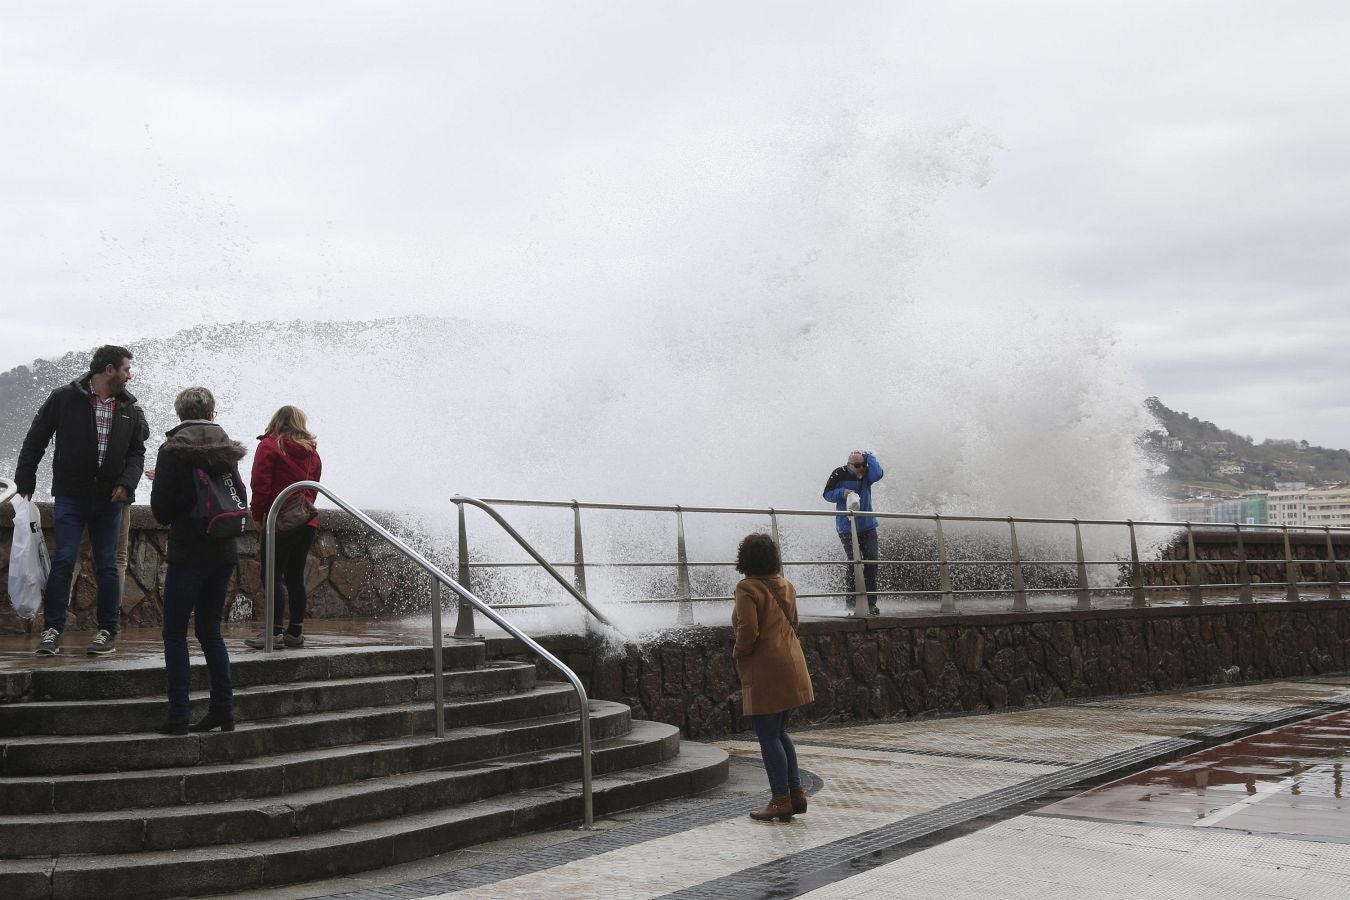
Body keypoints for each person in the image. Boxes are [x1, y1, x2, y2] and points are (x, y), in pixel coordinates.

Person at [15, 345, 147, 656]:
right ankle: (52, 630)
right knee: (63, 560)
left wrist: (127, 484)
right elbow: (36, 439)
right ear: (109, 370)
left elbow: (136, 453)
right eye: (126, 369)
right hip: (71, 496)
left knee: (108, 565)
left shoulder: (128, 407)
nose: (130, 375)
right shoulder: (64, 397)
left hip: (109, 500)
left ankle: (107, 631)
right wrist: (25, 480)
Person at [149, 387, 245, 735]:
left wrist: (167, 486)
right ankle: (223, 709)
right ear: (211, 412)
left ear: (180, 414)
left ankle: (178, 716)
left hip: (188, 553)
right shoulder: (226, 446)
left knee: (175, 633)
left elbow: (161, 511)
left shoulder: (172, 450)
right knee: (210, 630)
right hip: (223, 549)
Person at [732, 532, 815, 823]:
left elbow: (748, 630)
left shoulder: (747, 588)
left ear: (745, 558)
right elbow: (795, 622)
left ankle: (780, 800)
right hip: (792, 665)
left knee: (768, 736)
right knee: (779, 733)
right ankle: (795, 794)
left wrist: (738, 652)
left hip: (767, 669)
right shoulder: (786, 585)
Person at [245, 405, 322, 649]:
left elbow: (260, 484)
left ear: (276, 421)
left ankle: (274, 632)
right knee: (295, 575)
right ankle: (295, 632)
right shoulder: (312, 452)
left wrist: (258, 515)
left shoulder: (269, 446)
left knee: (272, 575)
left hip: (279, 521)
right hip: (306, 521)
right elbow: (313, 488)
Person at [822, 449, 885, 616]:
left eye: (863, 464)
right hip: (846, 528)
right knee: (854, 563)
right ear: (849, 465)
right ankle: (850, 604)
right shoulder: (839, 473)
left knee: (871, 561)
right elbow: (826, 494)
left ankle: (871, 603)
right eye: (857, 465)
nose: (861, 468)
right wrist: (842, 493)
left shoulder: (867, 474)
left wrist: (868, 455)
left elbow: (879, 474)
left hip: (868, 526)